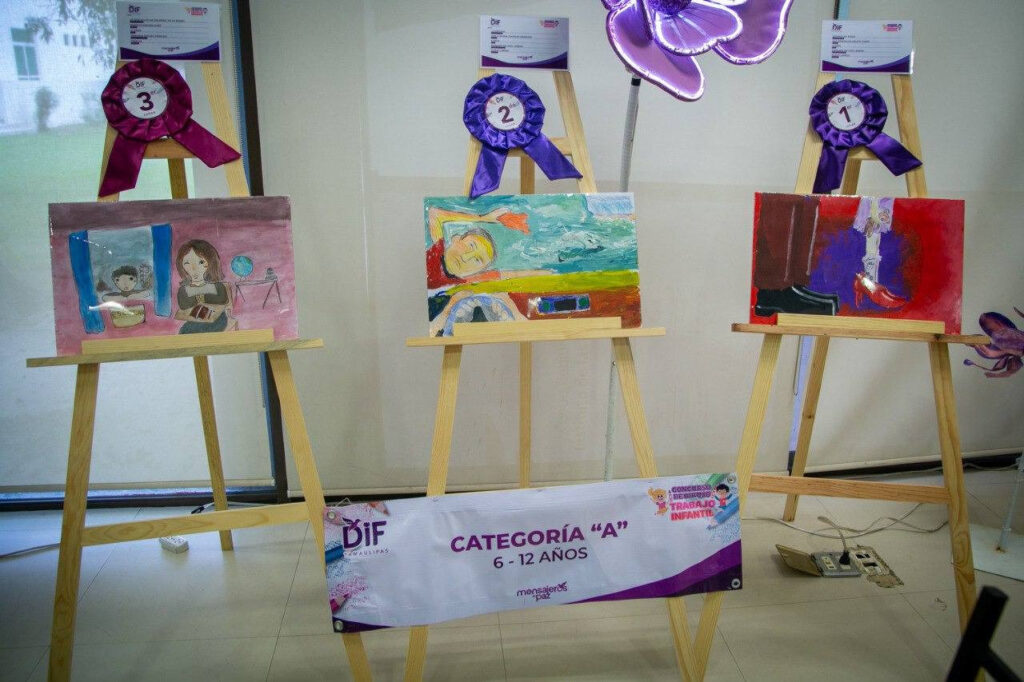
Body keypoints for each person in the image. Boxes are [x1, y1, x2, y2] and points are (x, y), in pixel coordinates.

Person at [174, 239, 233, 334]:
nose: (194, 268)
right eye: (187, 263)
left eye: (201, 262)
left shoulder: (218, 285)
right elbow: (184, 306)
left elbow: (221, 301)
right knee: (183, 331)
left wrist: (198, 297)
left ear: (210, 263)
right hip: (194, 321)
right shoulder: (183, 290)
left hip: (217, 320)